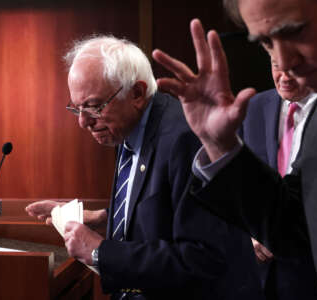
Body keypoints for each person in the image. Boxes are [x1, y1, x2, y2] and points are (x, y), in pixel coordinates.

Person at [152, 0, 317, 299]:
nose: (283, 64)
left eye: (295, 31)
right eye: (266, 42)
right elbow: (296, 227)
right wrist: (221, 145)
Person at [26, 35, 264, 300]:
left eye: (93, 107)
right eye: (77, 108)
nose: (83, 122)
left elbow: (203, 259)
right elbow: (170, 210)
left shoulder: (183, 139)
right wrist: (106, 220)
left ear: (137, 93)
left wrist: (100, 251)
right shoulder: (128, 127)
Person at [244, 61, 317, 300]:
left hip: (313, 273)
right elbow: (240, 187)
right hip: (258, 274)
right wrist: (247, 233)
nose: (284, 77)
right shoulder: (253, 108)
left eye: (294, 67)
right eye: (277, 66)